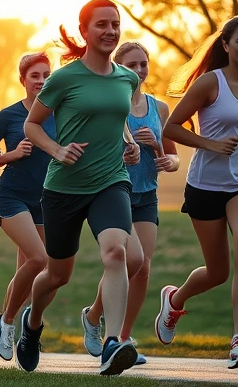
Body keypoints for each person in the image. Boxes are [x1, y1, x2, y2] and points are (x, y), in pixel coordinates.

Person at [14, 0, 142, 376]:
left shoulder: (126, 77)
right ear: (84, 31)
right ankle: (32, 323)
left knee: (116, 252)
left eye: (115, 24)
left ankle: (113, 343)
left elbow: (114, 117)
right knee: (57, 275)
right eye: (101, 24)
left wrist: (128, 141)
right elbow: (32, 126)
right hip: (64, 189)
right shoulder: (64, 78)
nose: (110, 31)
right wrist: (57, 149)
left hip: (111, 182)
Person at [155, 15, 238, 369]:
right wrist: (209, 143)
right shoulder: (211, 84)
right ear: (225, 45)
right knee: (217, 272)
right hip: (205, 186)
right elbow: (172, 128)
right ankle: (174, 299)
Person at [79, 41, 179, 365]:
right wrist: (120, 151)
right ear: (119, 68)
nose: (139, 71)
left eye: (144, 64)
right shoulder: (110, 104)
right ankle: (95, 317)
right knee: (129, 261)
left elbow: (174, 158)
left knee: (143, 267)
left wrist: (161, 151)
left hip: (146, 193)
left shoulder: (158, 108)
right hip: (114, 190)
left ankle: (121, 339)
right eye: (132, 65)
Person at [0, 52, 55, 361]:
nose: (41, 81)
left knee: (40, 272)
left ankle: (12, 320)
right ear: (23, 80)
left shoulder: (61, 114)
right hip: (13, 197)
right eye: (35, 76)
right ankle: (8, 323)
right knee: (38, 259)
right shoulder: (8, 117)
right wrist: (13, 154)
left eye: (47, 75)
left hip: (47, 201)